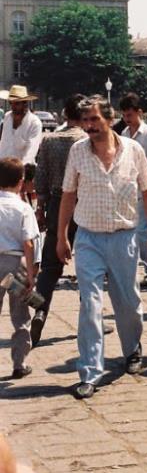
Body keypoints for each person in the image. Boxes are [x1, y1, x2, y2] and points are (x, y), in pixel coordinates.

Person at [57, 96, 147, 399]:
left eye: (94, 120)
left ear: (109, 118)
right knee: (89, 304)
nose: (88, 126)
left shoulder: (134, 150)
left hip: (124, 237)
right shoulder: (77, 152)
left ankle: (132, 349)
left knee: (128, 302)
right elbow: (67, 195)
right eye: (85, 120)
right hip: (88, 238)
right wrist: (61, 236)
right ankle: (90, 370)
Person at [30, 95, 86, 346]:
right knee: (88, 265)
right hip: (84, 205)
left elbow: (40, 177)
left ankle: (41, 309)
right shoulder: (86, 141)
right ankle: (90, 317)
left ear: (64, 114)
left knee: (51, 266)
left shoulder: (50, 140)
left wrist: (40, 207)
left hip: (55, 202)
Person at [0, 157, 40, 379]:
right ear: (21, 181)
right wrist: (31, 275)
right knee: (20, 315)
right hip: (15, 266)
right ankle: (19, 363)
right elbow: (28, 242)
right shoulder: (23, 208)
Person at [120, 92, 147, 288]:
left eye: (130, 115)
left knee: (144, 231)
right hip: (128, 190)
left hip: (145, 188)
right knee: (133, 231)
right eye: (125, 115)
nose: (127, 119)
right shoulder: (123, 135)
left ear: (139, 113)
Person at [0, 86, 43, 166]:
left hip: (22, 170)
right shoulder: (7, 117)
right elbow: (3, 144)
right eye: (11, 103)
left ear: (25, 103)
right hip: (3, 169)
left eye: (17, 103)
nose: (13, 107)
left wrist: (21, 170)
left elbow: (31, 151)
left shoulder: (34, 123)